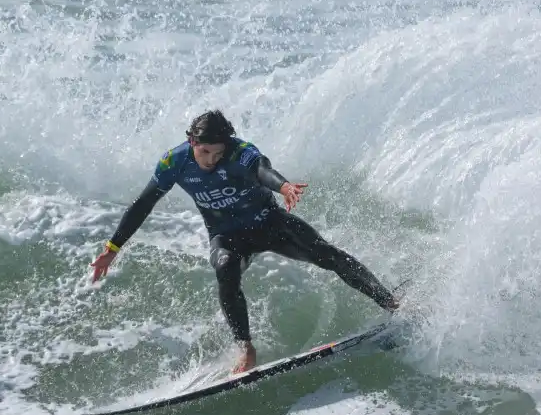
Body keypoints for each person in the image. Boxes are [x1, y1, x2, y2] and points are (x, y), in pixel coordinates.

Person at [89, 109, 400, 374]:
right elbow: (143, 204)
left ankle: (392, 303)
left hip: (270, 223)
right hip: (227, 236)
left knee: (328, 255)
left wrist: (284, 187)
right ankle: (245, 348)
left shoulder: (240, 151)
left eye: (218, 153)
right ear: (191, 142)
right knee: (225, 269)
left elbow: (262, 169)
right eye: (205, 152)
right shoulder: (174, 162)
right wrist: (112, 249)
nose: (211, 160)